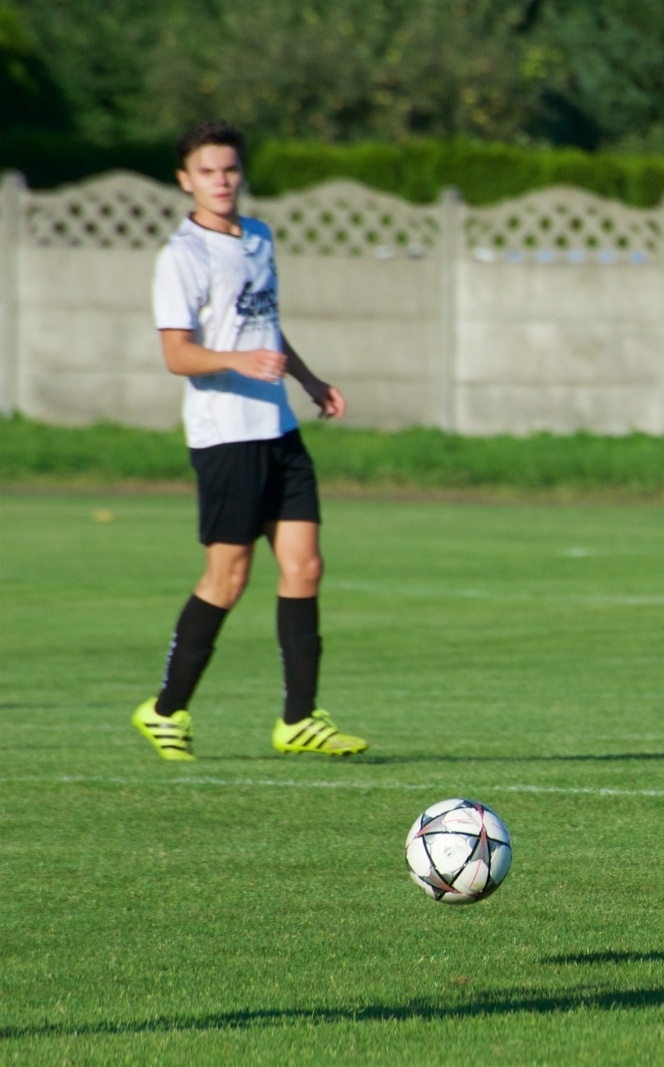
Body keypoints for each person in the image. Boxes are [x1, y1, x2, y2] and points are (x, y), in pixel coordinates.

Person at [130, 121, 367, 760]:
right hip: (225, 437)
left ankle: (299, 719)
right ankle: (165, 710)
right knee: (227, 578)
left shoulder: (259, 237)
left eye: (230, 169)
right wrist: (237, 362)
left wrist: (310, 379)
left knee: (305, 567)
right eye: (208, 171)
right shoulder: (182, 256)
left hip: (279, 429)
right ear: (186, 180)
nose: (223, 181)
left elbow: (266, 327)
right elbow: (177, 355)